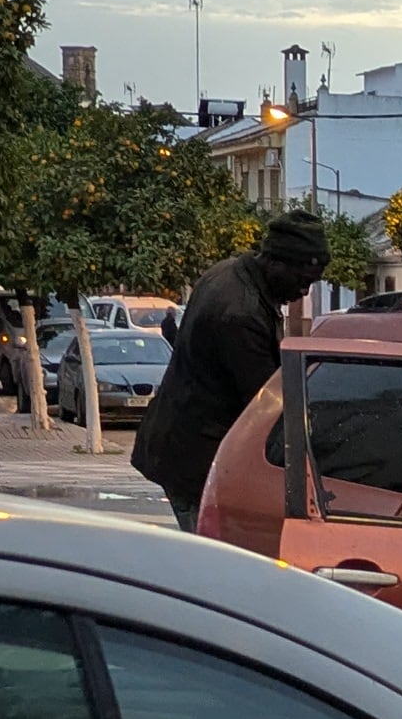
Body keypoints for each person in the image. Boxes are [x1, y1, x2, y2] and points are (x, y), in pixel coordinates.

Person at [133, 212, 330, 530]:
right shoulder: (240, 313)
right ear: (277, 262)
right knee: (213, 563)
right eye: (302, 280)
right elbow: (263, 405)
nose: (304, 293)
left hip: (182, 446)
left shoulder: (229, 272)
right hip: (197, 458)